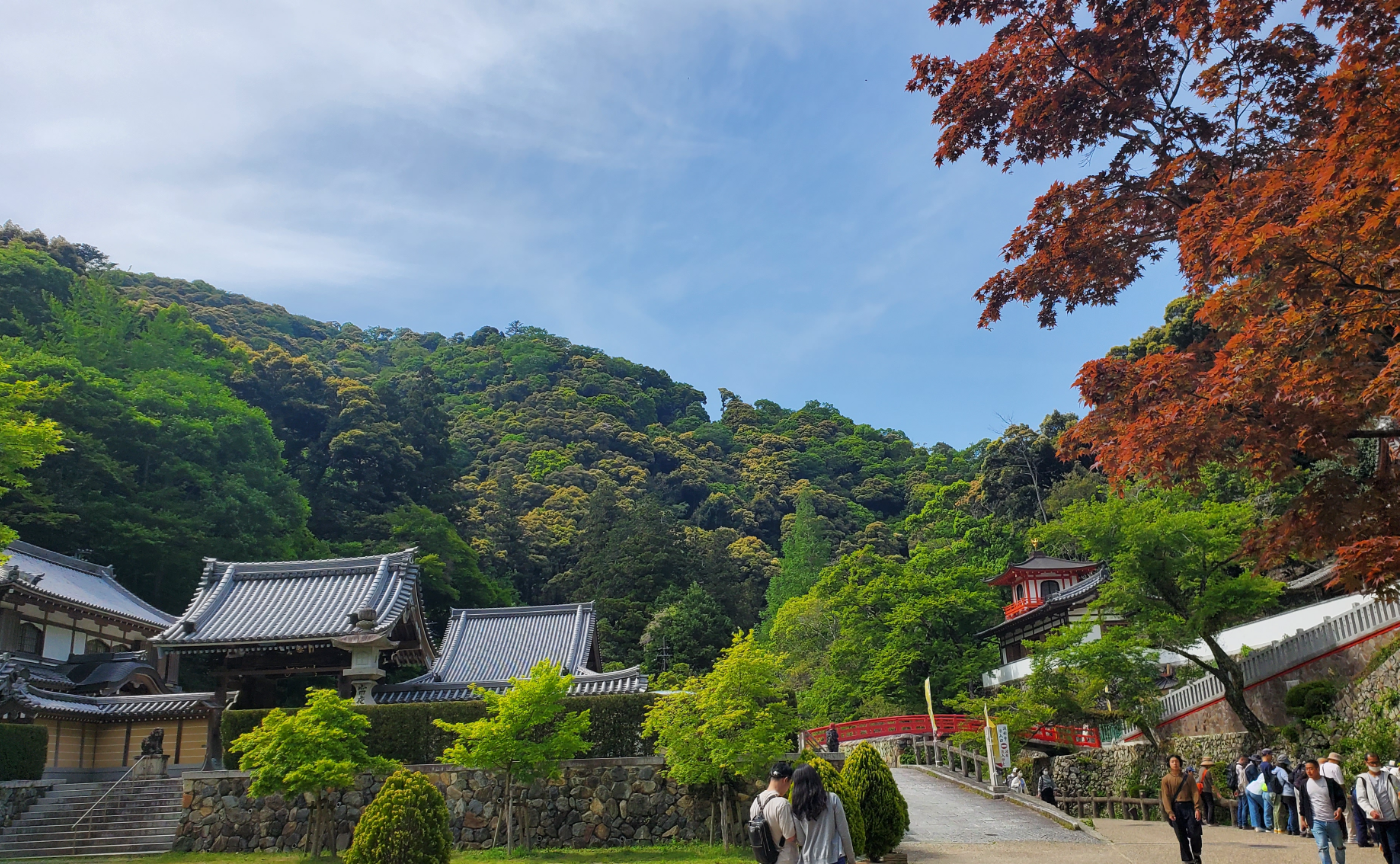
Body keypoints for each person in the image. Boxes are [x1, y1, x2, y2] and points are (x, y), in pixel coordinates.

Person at [790, 763, 856, 864]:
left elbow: (802, 840)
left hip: (809, 859)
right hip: (834, 857)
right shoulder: (832, 799)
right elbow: (844, 833)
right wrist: (851, 859)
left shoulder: (796, 807)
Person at [1301, 758, 1349, 864]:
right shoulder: (1304, 785)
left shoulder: (1330, 782)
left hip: (1333, 820)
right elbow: (1303, 803)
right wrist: (1302, 819)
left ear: (1317, 769)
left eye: (1311, 769)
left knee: (1339, 846)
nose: (1308, 771)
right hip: (1316, 820)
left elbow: (1341, 798)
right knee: (1322, 847)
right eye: (1307, 769)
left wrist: (1339, 809)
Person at [1357, 752, 1400, 864]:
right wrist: (1371, 811)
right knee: (1386, 849)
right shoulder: (1362, 779)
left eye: (1377, 762)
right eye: (1372, 763)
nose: (1375, 765)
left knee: (1396, 847)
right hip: (1377, 820)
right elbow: (1361, 799)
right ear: (1366, 763)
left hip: (1393, 818)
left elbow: (1398, 790)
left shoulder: (1390, 777)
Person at [751, 762, 799, 864]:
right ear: (785, 780)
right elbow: (790, 836)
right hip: (785, 860)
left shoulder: (755, 802)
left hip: (765, 860)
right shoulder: (782, 804)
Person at [1162, 754, 1204, 864]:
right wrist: (1169, 811)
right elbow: (1165, 797)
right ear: (1169, 764)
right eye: (1172, 762)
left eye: (1176, 761)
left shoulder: (1188, 777)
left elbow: (1195, 792)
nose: (1175, 763)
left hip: (1189, 806)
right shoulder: (1166, 779)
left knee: (1194, 832)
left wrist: (1197, 808)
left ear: (1180, 762)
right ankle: (1187, 859)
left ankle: (1196, 853)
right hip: (1176, 808)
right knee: (1181, 836)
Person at [1246, 756, 1272, 832]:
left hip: (1249, 788)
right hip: (1257, 791)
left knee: (1253, 808)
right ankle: (1269, 826)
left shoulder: (1261, 774)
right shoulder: (1269, 775)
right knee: (1266, 807)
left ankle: (1256, 826)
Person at [1279, 758, 1300, 835]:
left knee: (1291, 811)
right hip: (1289, 793)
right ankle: (1293, 829)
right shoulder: (1284, 771)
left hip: (1283, 793)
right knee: (1293, 812)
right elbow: (1289, 781)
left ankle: (1289, 828)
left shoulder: (1276, 770)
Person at [1230, 756, 1251, 829]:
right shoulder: (1240, 768)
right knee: (1244, 806)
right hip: (1241, 789)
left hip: (1237, 789)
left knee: (1240, 806)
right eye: (1245, 761)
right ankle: (1244, 823)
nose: (1246, 763)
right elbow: (1242, 781)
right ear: (1242, 759)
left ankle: (1239, 823)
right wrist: (1244, 789)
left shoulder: (1234, 766)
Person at [1199, 757, 1217, 826]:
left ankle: (1206, 818)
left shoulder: (1200, 770)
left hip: (1201, 789)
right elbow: (1211, 783)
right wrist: (1216, 791)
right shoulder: (1207, 771)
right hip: (1207, 789)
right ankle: (1210, 821)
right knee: (1210, 805)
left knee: (1205, 805)